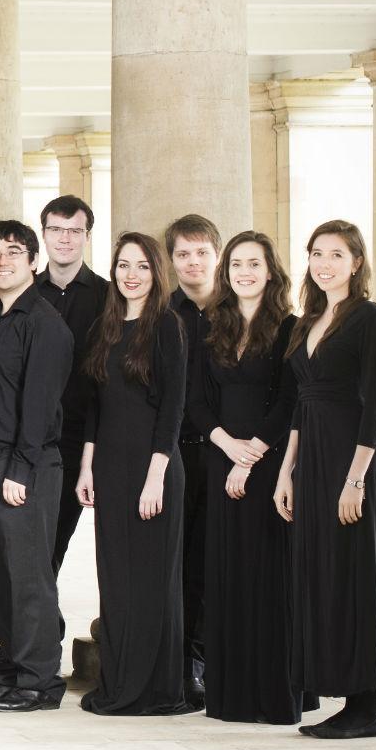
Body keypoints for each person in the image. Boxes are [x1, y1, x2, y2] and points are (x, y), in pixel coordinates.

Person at [0, 219, 77, 713]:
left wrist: (20, 471)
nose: (2, 261)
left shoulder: (45, 323)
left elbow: (40, 406)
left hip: (24, 466)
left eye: (13, 252)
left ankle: (40, 681)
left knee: (30, 578)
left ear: (33, 260)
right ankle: (11, 669)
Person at [272, 220, 376, 739]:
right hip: (311, 460)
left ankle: (366, 705)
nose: (324, 263)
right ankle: (343, 692)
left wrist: (356, 479)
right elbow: (300, 402)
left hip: (351, 460)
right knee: (321, 574)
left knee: (356, 577)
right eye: (316, 253)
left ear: (356, 262)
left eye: (336, 254)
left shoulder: (368, 318)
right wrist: (285, 472)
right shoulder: (306, 321)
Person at [75, 233, 192, 716]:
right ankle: (118, 681)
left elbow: (173, 408)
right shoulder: (102, 329)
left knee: (152, 581)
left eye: (142, 266)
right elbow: (93, 409)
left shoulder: (167, 326)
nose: (131, 274)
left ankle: (156, 690)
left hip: (154, 468)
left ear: (156, 273)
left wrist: (155, 475)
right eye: (124, 265)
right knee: (116, 580)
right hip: (109, 467)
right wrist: (87, 467)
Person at [194, 232, 308, 725]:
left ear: (271, 272)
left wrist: (252, 454)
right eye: (237, 263)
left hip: (270, 465)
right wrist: (226, 447)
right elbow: (196, 402)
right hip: (222, 460)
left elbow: (290, 401)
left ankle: (273, 694)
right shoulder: (210, 327)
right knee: (227, 575)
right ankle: (232, 696)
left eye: (254, 264)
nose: (244, 272)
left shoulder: (290, 328)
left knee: (269, 577)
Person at [30, 195, 108, 579]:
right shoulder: (25, 293)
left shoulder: (109, 297)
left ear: (87, 236)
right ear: (43, 235)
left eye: (74, 230)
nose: (65, 238)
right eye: (57, 230)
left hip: (82, 438)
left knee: (55, 542)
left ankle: (40, 635)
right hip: (29, 438)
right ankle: (38, 634)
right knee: (29, 545)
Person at [166, 213, 222, 706]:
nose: (192, 261)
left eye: (201, 252)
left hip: (230, 458)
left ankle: (212, 661)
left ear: (216, 256)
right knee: (182, 564)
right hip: (180, 454)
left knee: (218, 562)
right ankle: (185, 666)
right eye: (182, 253)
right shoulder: (165, 315)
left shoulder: (242, 310)